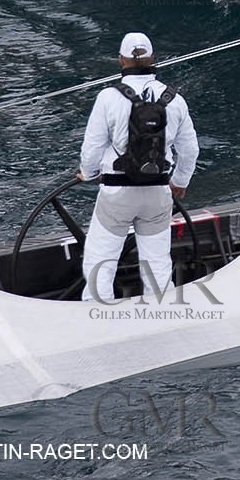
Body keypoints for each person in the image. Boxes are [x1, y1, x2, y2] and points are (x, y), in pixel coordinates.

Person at [78, 31, 199, 304]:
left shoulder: (108, 98)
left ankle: (98, 318)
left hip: (116, 193)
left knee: (101, 261)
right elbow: (190, 150)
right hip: (158, 193)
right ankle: (159, 322)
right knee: (157, 263)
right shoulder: (175, 100)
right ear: (153, 58)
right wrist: (180, 181)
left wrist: (87, 173)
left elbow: (92, 148)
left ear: (121, 60)